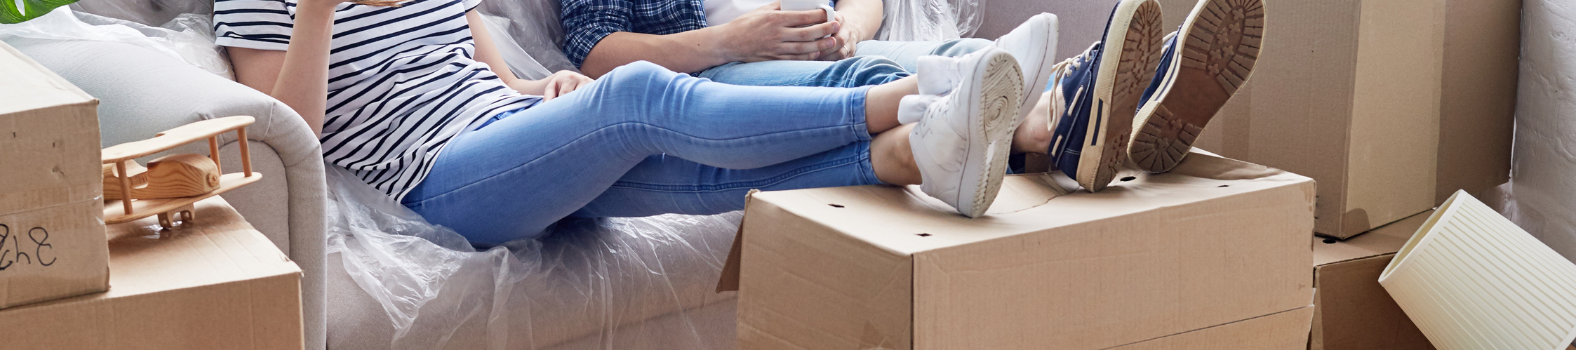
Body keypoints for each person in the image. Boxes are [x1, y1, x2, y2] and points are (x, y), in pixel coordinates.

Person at [212, 0, 1260, 245]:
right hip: (442, 179)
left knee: (687, 158)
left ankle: (971, 140)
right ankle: (930, 105)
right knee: (642, 101)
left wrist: (538, 90)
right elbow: (286, 129)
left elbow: (476, 43)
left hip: (502, 131)